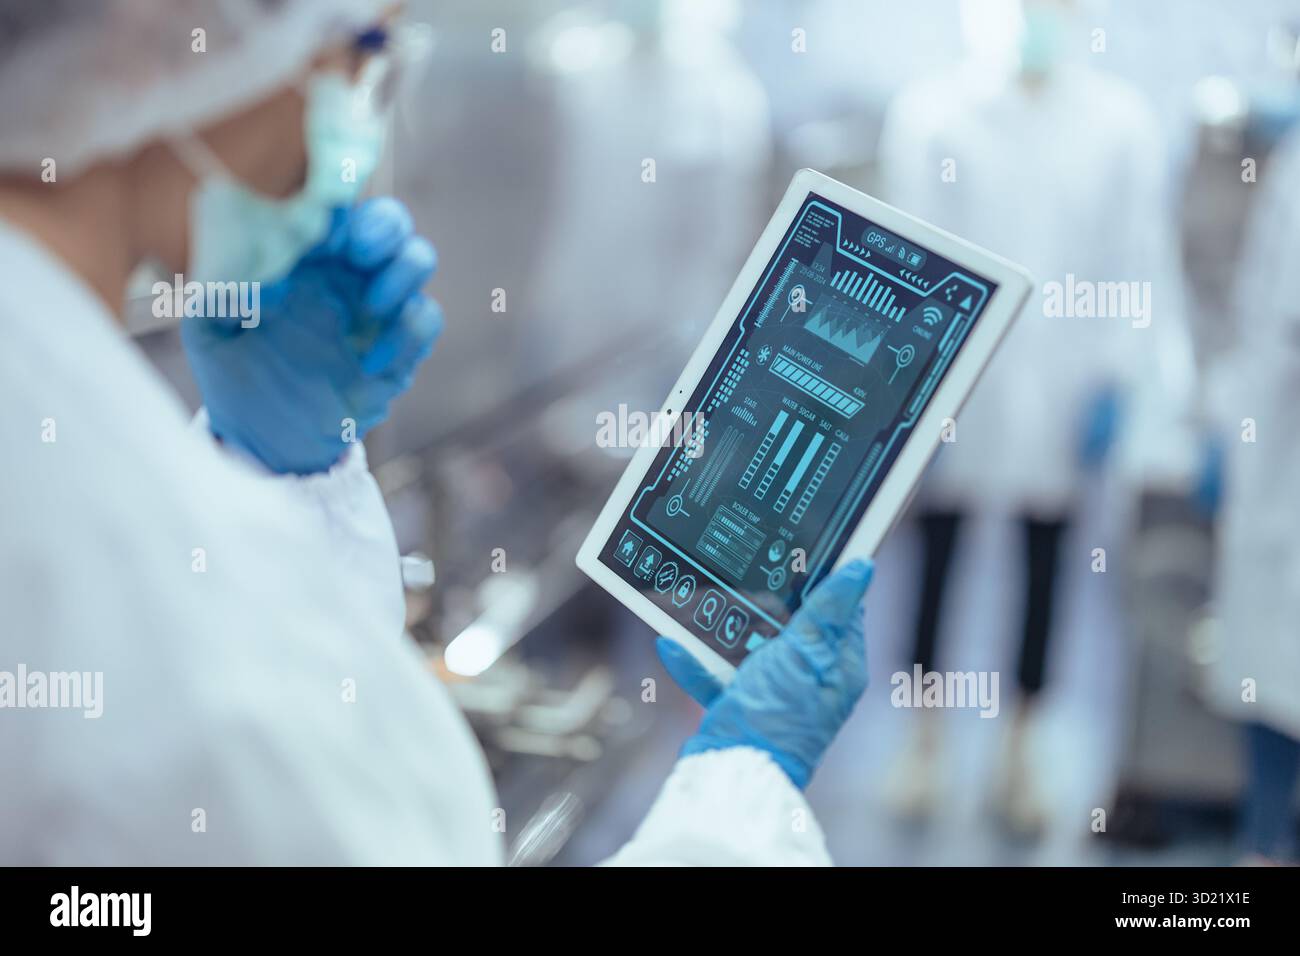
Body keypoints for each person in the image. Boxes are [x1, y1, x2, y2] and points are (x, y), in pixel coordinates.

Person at [0, 0, 871, 864]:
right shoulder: (101, 536)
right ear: (154, 27)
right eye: (363, 45)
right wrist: (743, 784)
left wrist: (283, 468)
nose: (359, 101)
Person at [875, 0, 1196, 832]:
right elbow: (908, 253)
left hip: (1064, 386)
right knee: (934, 565)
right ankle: (924, 743)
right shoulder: (935, 110)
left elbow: (1138, 260)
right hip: (955, 384)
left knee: (1046, 565)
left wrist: (1120, 379)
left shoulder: (1118, 122)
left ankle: (1020, 750)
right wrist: (910, 384)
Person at [1204, 126, 1300, 864]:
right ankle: (1262, 842)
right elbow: (1263, 303)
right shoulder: (1291, 155)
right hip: (1276, 439)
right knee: (1269, 660)